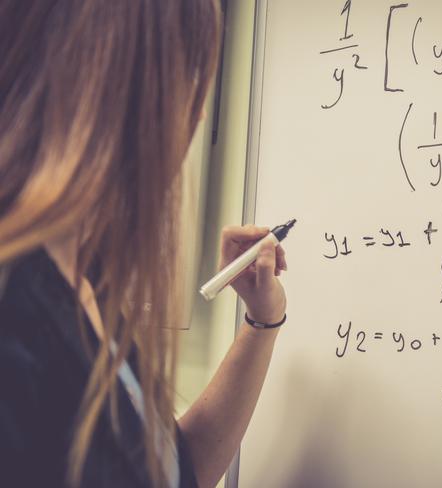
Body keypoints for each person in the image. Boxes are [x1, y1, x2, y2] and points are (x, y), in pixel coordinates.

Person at [0, 1, 287, 487]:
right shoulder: (17, 318)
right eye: (189, 78)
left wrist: (261, 324)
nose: (197, 114)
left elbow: (172, 469)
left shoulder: (86, 281)